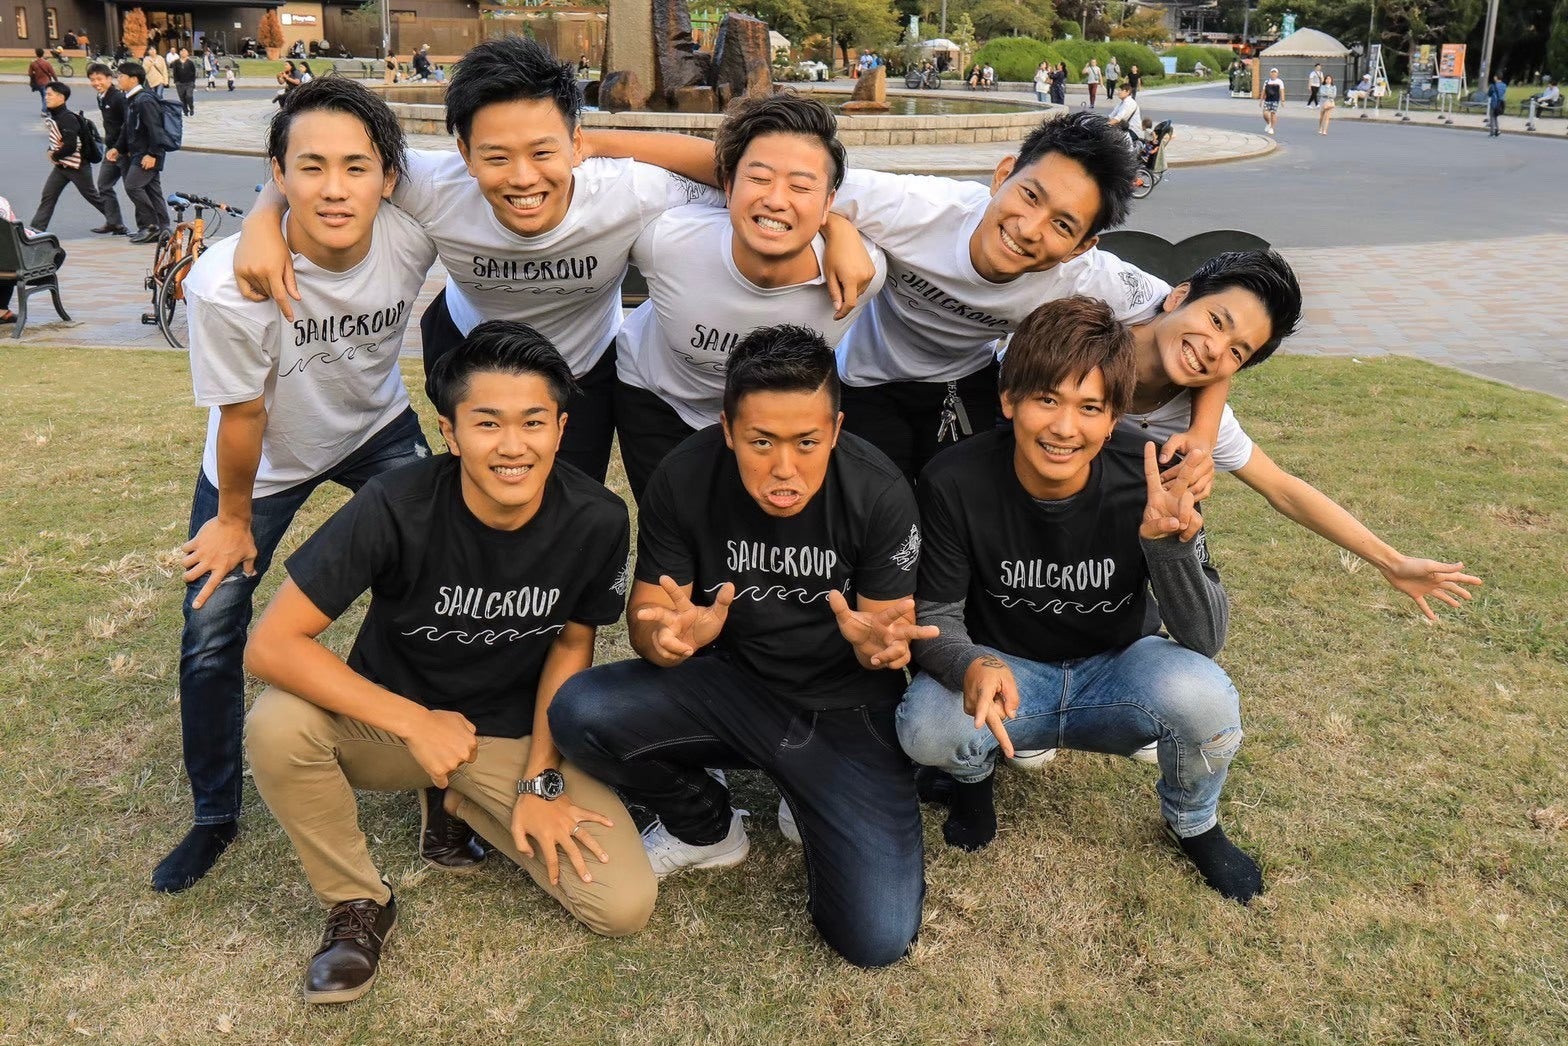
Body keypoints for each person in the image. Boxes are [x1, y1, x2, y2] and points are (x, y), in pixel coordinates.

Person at [243, 322, 656, 1004]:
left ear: (560, 429)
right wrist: (415, 722)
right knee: (277, 724)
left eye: (533, 422)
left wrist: (540, 780)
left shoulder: (599, 518)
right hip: (395, 729)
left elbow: (570, 645)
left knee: (622, 906)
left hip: (510, 732)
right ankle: (357, 902)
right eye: (487, 423)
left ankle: (457, 798)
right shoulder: (396, 503)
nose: (513, 446)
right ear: (451, 431)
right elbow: (272, 645)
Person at [549, 325, 935, 969]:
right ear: (727, 429)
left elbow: (882, 635)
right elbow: (650, 619)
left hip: (843, 707)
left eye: (806, 442)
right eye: (761, 441)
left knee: (876, 937)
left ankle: (806, 792)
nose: (784, 468)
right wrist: (668, 640)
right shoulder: (685, 475)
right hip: (730, 688)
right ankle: (705, 825)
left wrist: (877, 651)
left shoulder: (878, 490)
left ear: (836, 429)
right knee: (579, 711)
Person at [154, 77, 443, 894]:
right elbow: (244, 416)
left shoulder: (410, 232)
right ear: (278, 174)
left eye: (356, 167)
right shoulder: (227, 285)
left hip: (375, 427)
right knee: (211, 623)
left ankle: (437, 772)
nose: (335, 187)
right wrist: (232, 520)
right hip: (266, 461)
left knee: (441, 571)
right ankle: (214, 813)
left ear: (388, 176)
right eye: (310, 168)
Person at [235, 37, 739, 486]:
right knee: (474, 488)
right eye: (497, 157)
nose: (523, 178)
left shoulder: (630, 191)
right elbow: (325, 162)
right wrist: (263, 217)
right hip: (466, 344)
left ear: (576, 142)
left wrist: (602, 142)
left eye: (542, 152)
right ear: (464, 153)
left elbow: (740, 171)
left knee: (568, 492)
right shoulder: (432, 184)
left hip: (584, 361)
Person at [896, 294, 1265, 903]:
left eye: (1090, 407)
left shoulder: (1152, 475)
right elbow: (936, 614)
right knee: (927, 724)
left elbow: (1204, 641)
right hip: (1011, 673)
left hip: (1116, 670)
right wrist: (972, 663)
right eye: (1047, 399)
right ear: (1008, 399)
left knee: (1205, 697)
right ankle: (972, 785)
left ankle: (1194, 823)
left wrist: (1169, 548)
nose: (1065, 429)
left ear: (1115, 415)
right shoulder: (953, 478)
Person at [1111, 250, 1483, 622]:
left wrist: (1392, 561)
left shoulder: (1198, 423)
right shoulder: (1105, 303)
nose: (1214, 348)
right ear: (1178, 296)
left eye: (1237, 352)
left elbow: (1283, 489)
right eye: (1216, 320)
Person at [613, 94, 884, 502]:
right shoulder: (668, 241)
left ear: (829, 202)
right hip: (660, 399)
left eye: (800, 186)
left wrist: (838, 228)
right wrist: (584, 142)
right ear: (726, 185)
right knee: (671, 520)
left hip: (770, 420)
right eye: (758, 179)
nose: (775, 199)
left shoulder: (859, 274)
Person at [29, 81, 115, 233]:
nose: (46, 98)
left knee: (92, 196)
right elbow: (58, 140)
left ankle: (116, 222)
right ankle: (36, 229)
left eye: (49, 95)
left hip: (78, 167)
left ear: (61, 97)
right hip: (62, 167)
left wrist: (54, 155)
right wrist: (52, 152)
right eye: (46, 94)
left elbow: (71, 146)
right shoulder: (57, 116)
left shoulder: (67, 118)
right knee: (48, 196)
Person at [108, 62, 172, 244]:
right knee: (153, 191)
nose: (118, 79)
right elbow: (127, 127)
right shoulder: (133, 99)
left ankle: (151, 226)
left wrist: (153, 154)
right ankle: (164, 228)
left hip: (147, 154)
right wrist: (118, 148)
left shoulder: (145, 100)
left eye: (121, 76)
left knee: (133, 186)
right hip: (139, 152)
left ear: (134, 79)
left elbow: (156, 129)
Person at [0, 193, 66, 325]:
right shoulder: (1, 203)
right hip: (13, 266)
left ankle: (2, 310)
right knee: (58, 253)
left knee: (6, 259)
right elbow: (14, 235)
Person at [85, 63, 130, 235]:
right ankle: (115, 223)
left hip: (123, 150)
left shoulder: (118, 98)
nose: (96, 83)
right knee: (104, 185)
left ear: (109, 78)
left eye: (99, 79)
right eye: (92, 80)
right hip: (110, 148)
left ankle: (150, 227)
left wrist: (121, 147)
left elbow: (127, 123)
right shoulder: (101, 97)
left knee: (133, 189)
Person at [1107, 81, 1144, 147]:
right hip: (1124, 130)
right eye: (1119, 90)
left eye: (1121, 90)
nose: (1119, 92)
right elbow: (1111, 116)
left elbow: (1118, 119)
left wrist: (1105, 125)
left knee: (1111, 143)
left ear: (1128, 92)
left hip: (1133, 132)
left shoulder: (1129, 103)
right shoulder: (1121, 103)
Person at [28, 48, 55, 115]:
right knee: (46, 97)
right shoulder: (47, 63)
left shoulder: (33, 63)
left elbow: (30, 74)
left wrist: (35, 74)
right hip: (46, 83)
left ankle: (46, 109)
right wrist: (57, 80)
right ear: (43, 54)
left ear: (36, 54)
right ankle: (44, 111)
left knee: (43, 96)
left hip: (38, 83)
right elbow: (52, 73)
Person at [172, 47, 198, 117]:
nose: (183, 52)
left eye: (185, 51)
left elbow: (194, 73)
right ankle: (185, 110)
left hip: (189, 83)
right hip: (180, 83)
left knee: (189, 96)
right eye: (181, 51)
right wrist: (176, 82)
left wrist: (193, 82)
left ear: (187, 53)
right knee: (182, 98)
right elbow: (174, 73)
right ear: (179, 53)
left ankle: (191, 107)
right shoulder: (176, 62)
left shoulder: (190, 62)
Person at [1261, 67, 1284, 135]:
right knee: (1265, 114)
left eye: (1275, 73)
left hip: (1275, 100)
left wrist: (1282, 100)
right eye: (1272, 72)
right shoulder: (1267, 81)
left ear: (1277, 74)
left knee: (1273, 113)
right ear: (1270, 73)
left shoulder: (1279, 81)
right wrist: (1261, 100)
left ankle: (1271, 128)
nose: (1273, 74)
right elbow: (1263, 91)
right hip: (1267, 100)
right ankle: (1269, 123)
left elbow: (1282, 91)